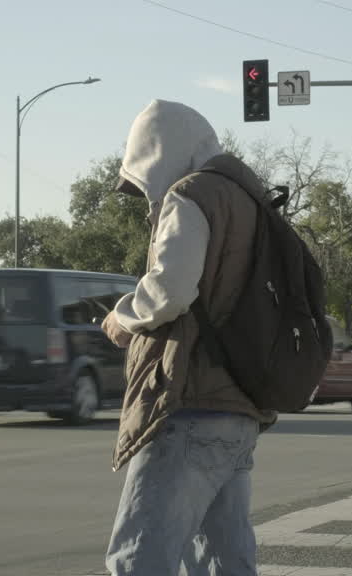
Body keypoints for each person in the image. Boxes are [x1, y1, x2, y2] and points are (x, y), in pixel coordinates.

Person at [101, 100, 275, 575]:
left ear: (157, 154)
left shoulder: (189, 195)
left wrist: (124, 318)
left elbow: (171, 289)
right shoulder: (249, 200)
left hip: (190, 405)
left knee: (139, 558)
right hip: (239, 406)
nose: (146, 192)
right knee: (224, 561)